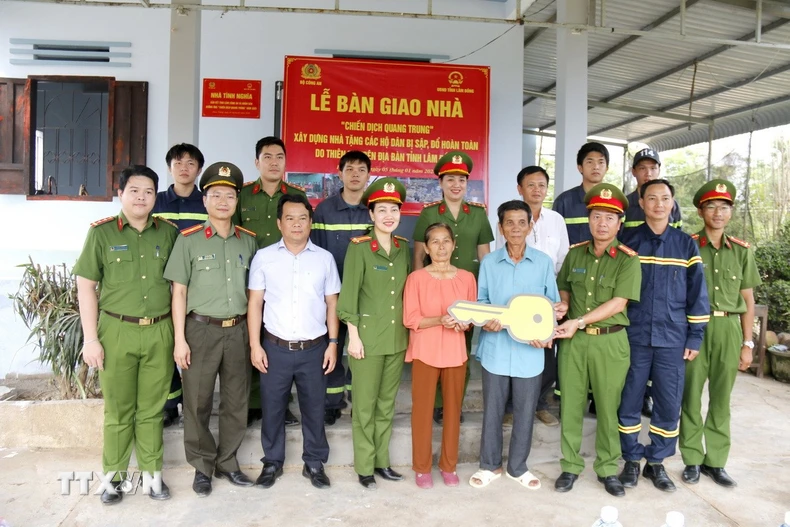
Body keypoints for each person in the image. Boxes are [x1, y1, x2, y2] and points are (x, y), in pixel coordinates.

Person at [74, 165, 179, 505]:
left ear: (155, 196)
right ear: (120, 193)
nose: (141, 197)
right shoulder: (101, 234)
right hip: (116, 330)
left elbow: (179, 288)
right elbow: (86, 286)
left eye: (148, 191)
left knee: (151, 410)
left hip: (159, 331)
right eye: (134, 190)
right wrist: (91, 338)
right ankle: (113, 480)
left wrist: (178, 337)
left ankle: (152, 478)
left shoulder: (169, 233)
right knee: (118, 410)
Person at [163, 162, 257, 497]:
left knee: (236, 401)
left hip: (238, 331)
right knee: (198, 401)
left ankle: (228, 462)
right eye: (215, 194)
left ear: (236, 201)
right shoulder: (188, 241)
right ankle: (202, 466)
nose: (222, 201)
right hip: (199, 330)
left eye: (229, 195)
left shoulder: (249, 242)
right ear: (205, 201)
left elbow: (255, 293)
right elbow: (179, 292)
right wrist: (179, 340)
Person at [618, 179, 710, 493]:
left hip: (673, 338)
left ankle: (656, 462)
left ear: (673, 204)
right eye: (652, 198)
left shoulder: (686, 244)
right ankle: (631, 458)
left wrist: (695, 336)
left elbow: (698, 294)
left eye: (665, 198)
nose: (659, 204)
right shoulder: (628, 241)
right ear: (640, 203)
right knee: (629, 399)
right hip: (634, 335)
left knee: (668, 404)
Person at [553, 184, 641, 498]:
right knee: (572, 405)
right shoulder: (575, 253)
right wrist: (563, 304)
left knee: (607, 407)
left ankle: (607, 468)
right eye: (596, 216)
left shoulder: (628, 259)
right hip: (574, 344)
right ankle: (570, 465)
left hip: (610, 342)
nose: (601, 223)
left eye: (609, 217)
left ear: (619, 224)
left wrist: (577, 320)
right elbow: (564, 286)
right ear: (588, 219)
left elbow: (619, 303)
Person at [248, 193, 340, 490]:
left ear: (310, 222)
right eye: (290, 218)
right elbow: (255, 304)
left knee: (314, 408)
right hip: (274, 348)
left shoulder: (324, 259)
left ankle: (314, 462)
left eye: (302, 218)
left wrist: (333, 343)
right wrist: (254, 345)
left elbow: (332, 304)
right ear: (279, 223)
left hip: (314, 348)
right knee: (272, 408)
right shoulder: (264, 257)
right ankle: (272, 462)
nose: (296, 224)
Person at [468, 200, 561, 491]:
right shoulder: (489, 263)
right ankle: (489, 465)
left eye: (522, 223)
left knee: (524, 410)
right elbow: (481, 301)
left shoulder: (543, 263)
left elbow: (552, 307)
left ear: (531, 227)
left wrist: (546, 333)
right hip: (496, 348)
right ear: (500, 227)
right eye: (510, 223)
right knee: (493, 410)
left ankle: (518, 467)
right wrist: (487, 320)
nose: (516, 228)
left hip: (529, 351)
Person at [680, 179, 761, 488]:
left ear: (730, 213)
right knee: (690, 396)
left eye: (724, 207)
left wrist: (747, 343)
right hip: (696, 328)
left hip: (728, 327)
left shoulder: (741, 251)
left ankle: (716, 461)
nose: (718, 212)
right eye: (711, 206)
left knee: (721, 398)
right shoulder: (689, 245)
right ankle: (691, 458)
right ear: (701, 211)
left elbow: (749, 301)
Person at [337, 177, 410, 490]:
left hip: (395, 341)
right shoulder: (360, 248)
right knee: (364, 406)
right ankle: (365, 466)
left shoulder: (403, 249)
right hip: (365, 341)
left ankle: (383, 462)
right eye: (382, 210)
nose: (388, 215)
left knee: (386, 405)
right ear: (371, 215)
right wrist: (353, 336)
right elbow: (347, 299)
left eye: (393, 209)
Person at [412, 151, 494, 425]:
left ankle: (453, 402)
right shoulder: (430, 213)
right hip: (433, 287)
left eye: (461, 179)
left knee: (462, 347)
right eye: (450, 179)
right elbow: (418, 256)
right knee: (434, 344)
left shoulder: (479, 214)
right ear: (441, 182)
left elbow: (486, 257)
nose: (456, 184)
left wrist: (487, 293)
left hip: (465, 288)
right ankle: (437, 403)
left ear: (467, 182)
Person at [234, 136, 306, 427]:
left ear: (286, 162)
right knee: (253, 340)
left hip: (285, 283)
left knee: (282, 342)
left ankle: (282, 404)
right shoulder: (243, 195)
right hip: (247, 280)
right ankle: (254, 403)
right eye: (267, 157)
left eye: (279, 157)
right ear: (257, 162)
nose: (273, 162)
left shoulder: (296, 194)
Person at [404, 223, 477, 489]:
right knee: (422, 412)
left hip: (456, 352)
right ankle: (422, 467)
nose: (441, 246)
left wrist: (463, 324)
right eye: (434, 242)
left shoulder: (467, 277)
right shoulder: (416, 279)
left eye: (446, 241)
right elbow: (410, 319)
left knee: (452, 411)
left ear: (454, 245)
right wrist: (439, 319)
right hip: (425, 351)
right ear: (426, 247)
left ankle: (449, 465)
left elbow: (470, 317)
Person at [310, 150, 373, 426]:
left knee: (363, 348)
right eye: (350, 169)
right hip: (332, 295)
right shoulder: (324, 209)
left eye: (361, 169)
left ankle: (358, 394)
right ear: (340, 172)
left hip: (366, 295)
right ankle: (332, 401)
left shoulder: (375, 208)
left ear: (369, 175)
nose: (355, 174)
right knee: (331, 346)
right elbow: (317, 250)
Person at [621, 148, 683, 420]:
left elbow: (676, 245)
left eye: (652, 168)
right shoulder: (624, 203)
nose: (648, 173)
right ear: (634, 172)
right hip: (636, 291)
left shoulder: (671, 206)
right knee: (633, 368)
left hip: (666, 291)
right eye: (642, 168)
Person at [153, 143, 208, 428]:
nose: (184, 168)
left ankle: (193, 404)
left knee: (193, 347)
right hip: (161, 285)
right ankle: (169, 403)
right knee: (166, 347)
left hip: (197, 286)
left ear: (199, 169)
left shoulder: (207, 203)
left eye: (190, 163)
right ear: (170, 167)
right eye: (178, 163)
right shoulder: (156, 202)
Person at [516, 165, 569, 427]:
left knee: (547, 353)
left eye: (542, 185)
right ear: (520, 189)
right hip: (516, 295)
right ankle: (510, 407)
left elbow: (563, 260)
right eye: (531, 185)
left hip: (547, 296)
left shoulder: (556, 220)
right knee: (515, 348)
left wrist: (558, 296)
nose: (537, 190)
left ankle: (539, 404)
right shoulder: (512, 217)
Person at [553, 142, 610, 246]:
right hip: (573, 261)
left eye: (601, 162)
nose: (596, 167)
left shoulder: (615, 201)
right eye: (590, 162)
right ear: (580, 167)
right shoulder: (564, 202)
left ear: (607, 168)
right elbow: (555, 239)